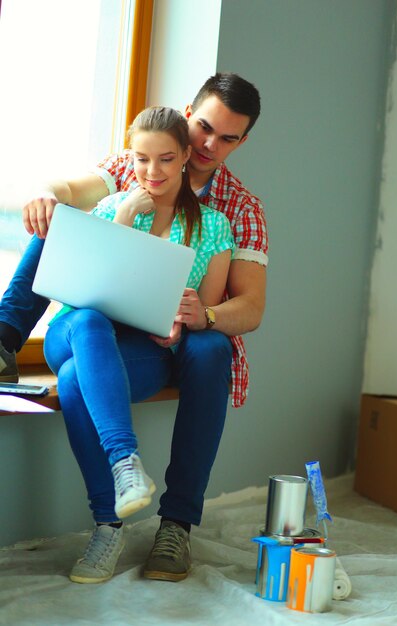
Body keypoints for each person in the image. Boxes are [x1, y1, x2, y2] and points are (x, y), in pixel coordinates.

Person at [0, 73, 268, 582]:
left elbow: (248, 307)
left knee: (94, 374)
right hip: (88, 323)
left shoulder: (230, 213)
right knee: (75, 278)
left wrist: (196, 318)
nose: (209, 145)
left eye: (227, 138)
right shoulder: (136, 167)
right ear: (189, 115)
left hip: (157, 343)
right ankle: (6, 336)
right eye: (205, 128)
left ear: (241, 141)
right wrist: (47, 196)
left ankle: (146, 524)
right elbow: (72, 209)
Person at [42, 106, 234, 583]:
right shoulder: (110, 209)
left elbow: (203, 313)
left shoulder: (213, 228)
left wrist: (181, 321)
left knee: (72, 381)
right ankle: (125, 460)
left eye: (167, 159)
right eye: (143, 160)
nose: (154, 172)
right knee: (88, 320)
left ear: (187, 156)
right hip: (74, 332)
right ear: (131, 159)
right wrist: (125, 214)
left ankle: (107, 525)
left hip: (139, 350)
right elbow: (81, 287)